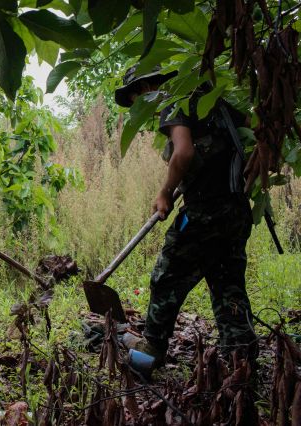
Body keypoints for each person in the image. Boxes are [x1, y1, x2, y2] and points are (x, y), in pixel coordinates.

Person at [115, 66, 258, 366]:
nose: (141, 106)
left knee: (167, 277)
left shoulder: (173, 99)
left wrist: (165, 191)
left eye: (136, 97)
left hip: (204, 212)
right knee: (227, 282)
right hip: (236, 210)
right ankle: (241, 355)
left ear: (146, 88)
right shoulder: (210, 98)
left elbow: (183, 153)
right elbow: (253, 128)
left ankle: (151, 349)